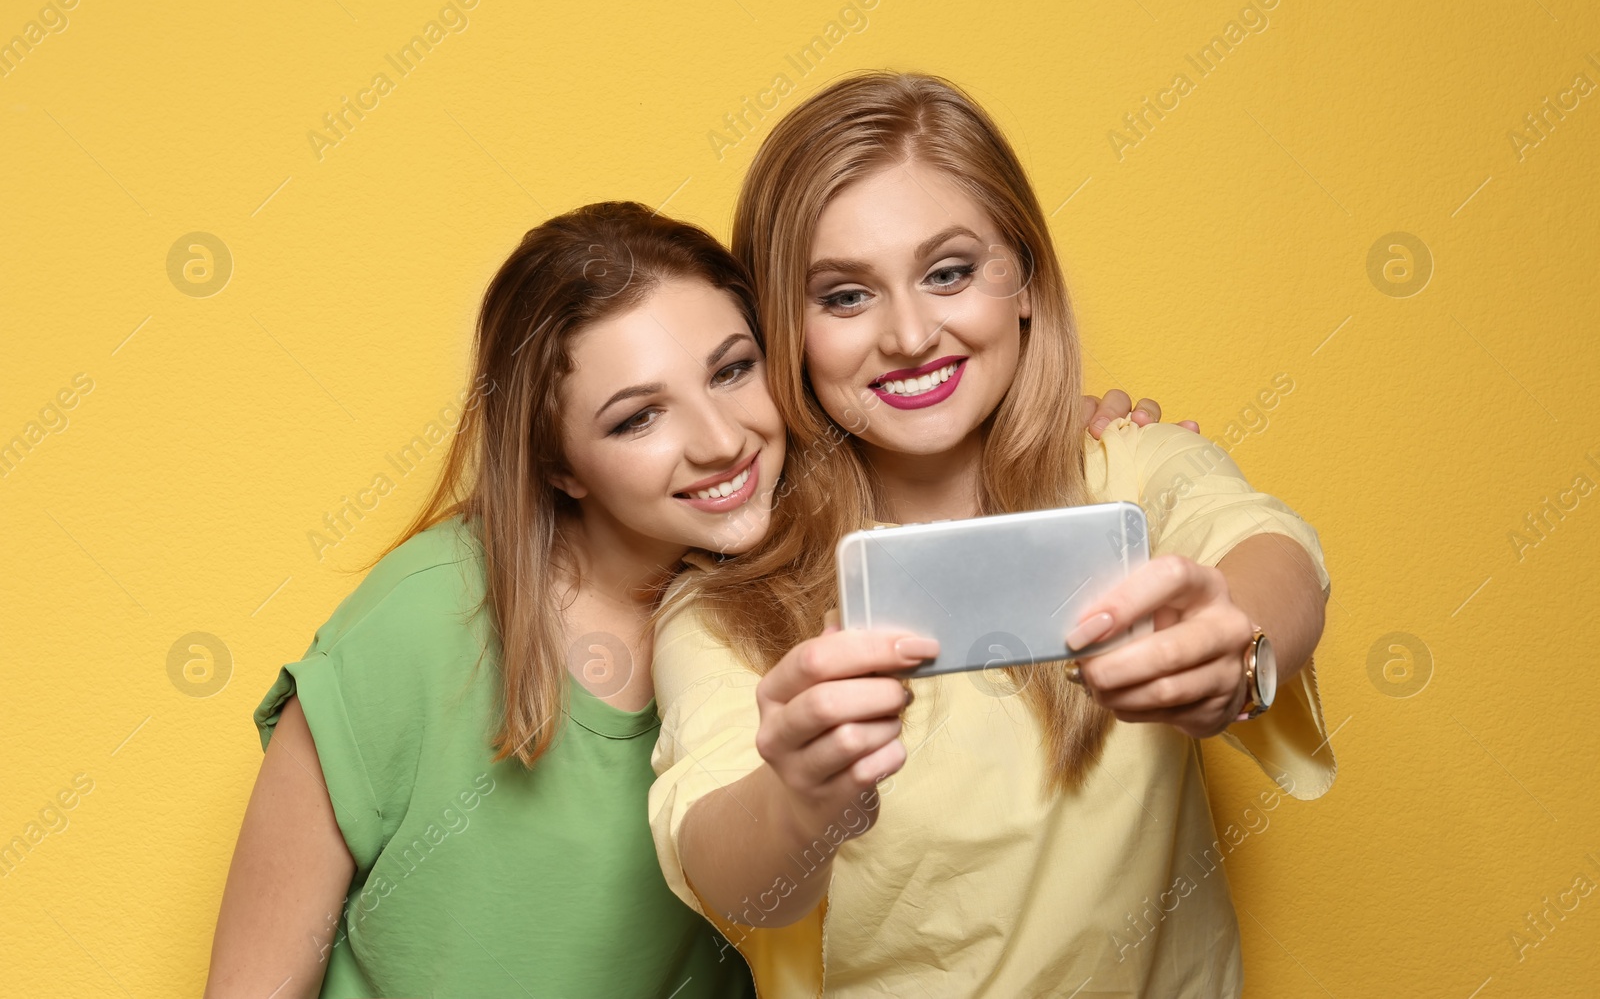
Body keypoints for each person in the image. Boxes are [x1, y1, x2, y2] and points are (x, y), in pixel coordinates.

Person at [205, 198, 1170, 997]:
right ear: (559, 463)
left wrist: (1047, 438)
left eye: (733, 369)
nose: (719, 439)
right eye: (638, 417)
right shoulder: (419, 621)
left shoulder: (812, 581)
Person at [649, 73, 1335, 998]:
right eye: (845, 296)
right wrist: (800, 796)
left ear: (1023, 279)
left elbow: (1271, 551)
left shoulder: (1123, 470)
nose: (909, 333)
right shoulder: (729, 603)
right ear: (786, 331)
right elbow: (732, 870)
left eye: (949, 272)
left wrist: (1235, 644)